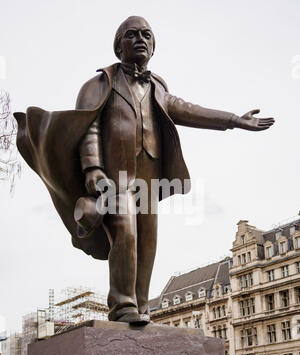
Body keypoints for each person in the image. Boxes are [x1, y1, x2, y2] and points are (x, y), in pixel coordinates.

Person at [14, 16, 274, 325]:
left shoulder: (158, 87)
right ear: (118, 45)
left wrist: (233, 120)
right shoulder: (99, 85)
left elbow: (189, 109)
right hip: (114, 179)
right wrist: (93, 168)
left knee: (147, 242)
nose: (140, 39)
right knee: (125, 231)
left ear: (153, 46)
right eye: (132, 34)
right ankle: (122, 305)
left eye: (146, 35)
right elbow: (88, 128)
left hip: (149, 180)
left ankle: (140, 305)